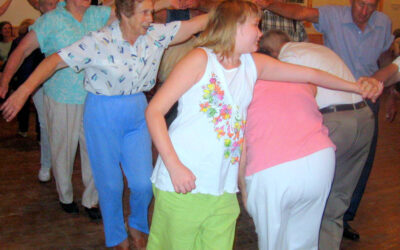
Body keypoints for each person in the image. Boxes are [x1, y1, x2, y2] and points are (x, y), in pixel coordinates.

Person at [144, 1, 381, 249]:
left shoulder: (253, 65)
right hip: (183, 183)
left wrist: (356, 87)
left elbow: (309, 74)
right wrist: (174, 166)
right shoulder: (200, 59)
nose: (260, 32)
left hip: (222, 189)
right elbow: (154, 111)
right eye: (255, 25)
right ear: (234, 27)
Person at [0, 0, 209, 248]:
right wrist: (24, 90)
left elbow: (196, 23)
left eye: (151, 12)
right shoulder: (98, 41)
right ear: (124, 14)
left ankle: (137, 224)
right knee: (110, 184)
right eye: (144, 13)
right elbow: (54, 61)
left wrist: (240, 7)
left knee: (143, 183)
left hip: (138, 111)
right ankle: (116, 235)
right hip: (102, 112)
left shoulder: (155, 34)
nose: (150, 18)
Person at [259, 0, 394, 241]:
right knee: (339, 198)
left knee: (312, 196)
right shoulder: (319, 49)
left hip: (337, 120)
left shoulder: (287, 58)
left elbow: (292, 104)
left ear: (271, 54)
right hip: (364, 115)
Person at [0, 0, 113, 220]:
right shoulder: (50, 20)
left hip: (94, 97)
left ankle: (92, 201)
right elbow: (22, 50)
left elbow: (130, 11)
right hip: (62, 96)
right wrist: (5, 79)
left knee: (95, 152)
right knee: (63, 150)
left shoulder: (98, 14)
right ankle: (66, 196)